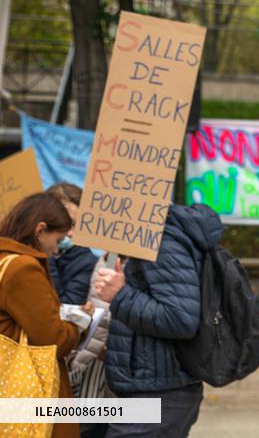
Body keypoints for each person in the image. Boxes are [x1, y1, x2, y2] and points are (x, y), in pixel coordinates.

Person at [93, 203, 223, 438]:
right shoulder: (143, 240)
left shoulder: (160, 241)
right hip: (147, 387)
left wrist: (120, 295)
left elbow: (180, 319)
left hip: (160, 392)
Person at [0, 192, 93, 438]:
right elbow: (53, 339)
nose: (56, 249)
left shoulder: (5, 260)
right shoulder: (23, 268)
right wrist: (79, 325)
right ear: (40, 230)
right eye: (59, 239)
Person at [46, 183, 100, 306]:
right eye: (64, 222)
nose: (70, 232)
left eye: (75, 224)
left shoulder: (87, 262)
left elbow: (66, 307)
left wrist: (47, 256)